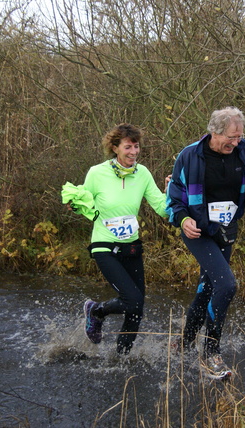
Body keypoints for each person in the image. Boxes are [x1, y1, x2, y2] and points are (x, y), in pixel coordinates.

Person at [166, 107, 245, 378]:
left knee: (207, 289)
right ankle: (211, 352)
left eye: (240, 137)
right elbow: (174, 199)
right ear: (214, 132)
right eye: (231, 137)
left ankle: (183, 343)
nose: (236, 142)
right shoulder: (190, 156)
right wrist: (183, 220)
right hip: (198, 231)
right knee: (227, 284)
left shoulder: (243, 151)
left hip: (226, 231)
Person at [61, 123, 168, 355]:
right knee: (132, 300)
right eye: (128, 147)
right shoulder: (97, 172)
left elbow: (162, 207)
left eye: (136, 147)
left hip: (131, 247)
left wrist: (174, 193)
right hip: (104, 246)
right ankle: (97, 311)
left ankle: (121, 357)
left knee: (136, 309)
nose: (134, 152)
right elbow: (83, 200)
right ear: (115, 148)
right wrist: (75, 204)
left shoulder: (143, 174)